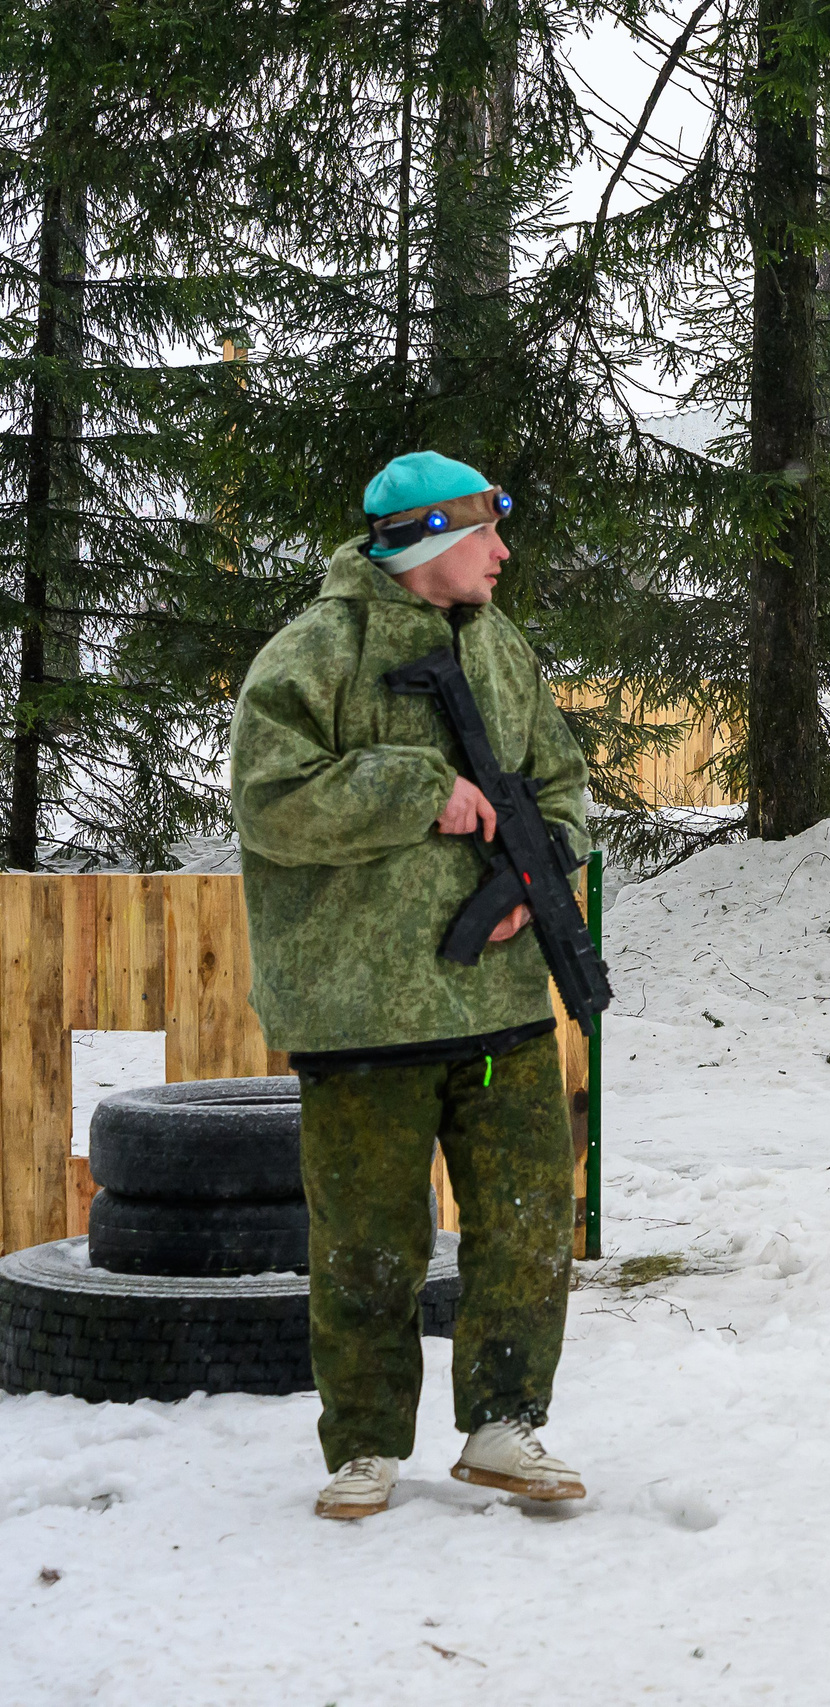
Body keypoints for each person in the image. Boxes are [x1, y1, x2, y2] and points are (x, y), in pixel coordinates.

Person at [231, 451, 591, 1518]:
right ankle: (367, 1445)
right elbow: (271, 803)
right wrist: (420, 790)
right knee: (368, 1244)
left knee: (528, 1223)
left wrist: (541, 874)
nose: (504, 554)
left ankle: (503, 1425)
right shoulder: (311, 655)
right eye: (488, 534)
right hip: (363, 1012)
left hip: (504, 1004)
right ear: (432, 541)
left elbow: (562, 787)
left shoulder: (504, 652)